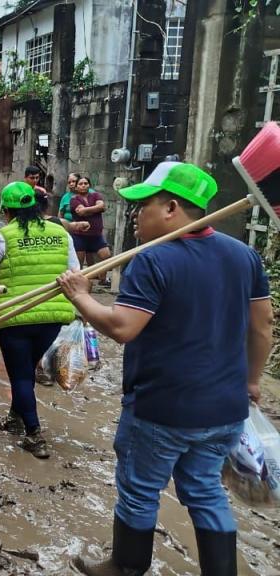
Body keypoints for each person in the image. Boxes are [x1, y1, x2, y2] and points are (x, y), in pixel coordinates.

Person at [60, 162, 272, 576]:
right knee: (207, 491)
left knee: (139, 492)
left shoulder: (152, 260)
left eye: (144, 206)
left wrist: (80, 295)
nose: (136, 215)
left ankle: (125, 566)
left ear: (172, 207)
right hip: (226, 409)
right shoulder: (245, 256)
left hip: (161, 409)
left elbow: (122, 328)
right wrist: (250, 380)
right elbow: (263, 326)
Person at [0, 181, 79, 459]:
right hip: (52, 316)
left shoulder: (4, 236)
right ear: (36, 206)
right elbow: (74, 273)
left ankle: (34, 434)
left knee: (20, 375)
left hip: (15, 315)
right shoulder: (60, 234)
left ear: (6, 211)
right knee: (27, 370)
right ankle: (15, 417)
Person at [70, 175, 112, 281]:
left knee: (106, 255)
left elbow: (101, 206)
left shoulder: (95, 195)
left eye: (85, 183)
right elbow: (81, 211)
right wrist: (97, 208)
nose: (83, 185)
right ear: (76, 187)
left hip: (96, 235)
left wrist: (88, 209)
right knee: (78, 264)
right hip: (80, 236)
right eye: (80, 184)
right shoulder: (74, 200)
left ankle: (103, 280)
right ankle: (78, 283)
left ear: (89, 185)